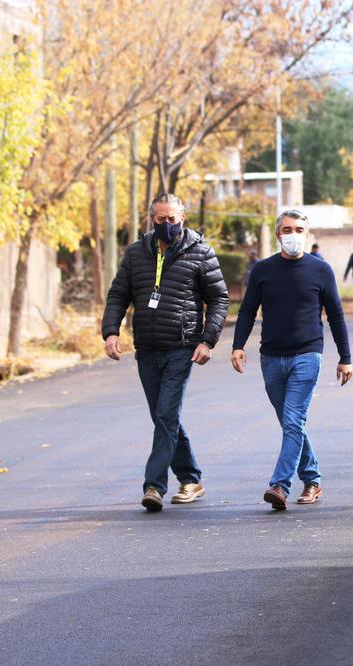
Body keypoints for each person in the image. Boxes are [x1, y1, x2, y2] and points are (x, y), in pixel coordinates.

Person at [102, 193, 230, 513]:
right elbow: (119, 293)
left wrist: (207, 340)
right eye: (161, 219)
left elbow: (218, 299)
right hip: (147, 348)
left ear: (182, 217)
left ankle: (154, 486)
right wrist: (111, 332)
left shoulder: (200, 251)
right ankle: (191, 478)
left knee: (165, 415)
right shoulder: (136, 253)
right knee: (164, 417)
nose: (167, 224)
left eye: (172, 219)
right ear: (152, 219)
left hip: (182, 347)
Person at [231, 209, 353, 511]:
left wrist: (345, 357)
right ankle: (312, 479)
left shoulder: (320, 270)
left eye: (299, 230)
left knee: (293, 420)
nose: (293, 235)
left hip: (307, 355)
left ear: (307, 234)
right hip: (271, 357)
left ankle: (280, 485)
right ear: (278, 235)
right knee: (290, 423)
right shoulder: (263, 270)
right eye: (287, 230)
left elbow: (336, 315)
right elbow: (247, 310)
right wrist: (238, 346)